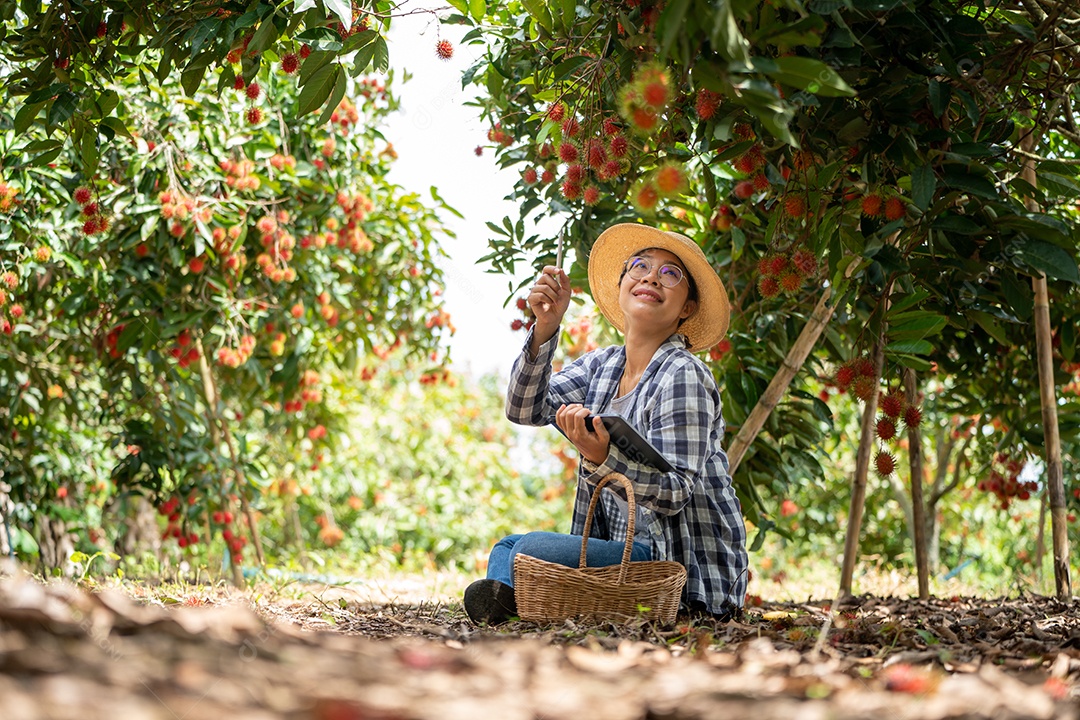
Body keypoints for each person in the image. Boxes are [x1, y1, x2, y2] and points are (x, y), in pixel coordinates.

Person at [463, 222, 748, 625]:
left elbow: (676, 493)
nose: (651, 276)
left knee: (525, 549)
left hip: (677, 568)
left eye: (670, 274)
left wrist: (604, 459)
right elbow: (524, 409)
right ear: (622, 285)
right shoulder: (603, 366)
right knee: (506, 549)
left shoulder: (682, 374)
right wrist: (545, 328)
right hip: (624, 553)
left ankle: (516, 610)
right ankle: (511, 610)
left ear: (686, 308)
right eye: (640, 266)